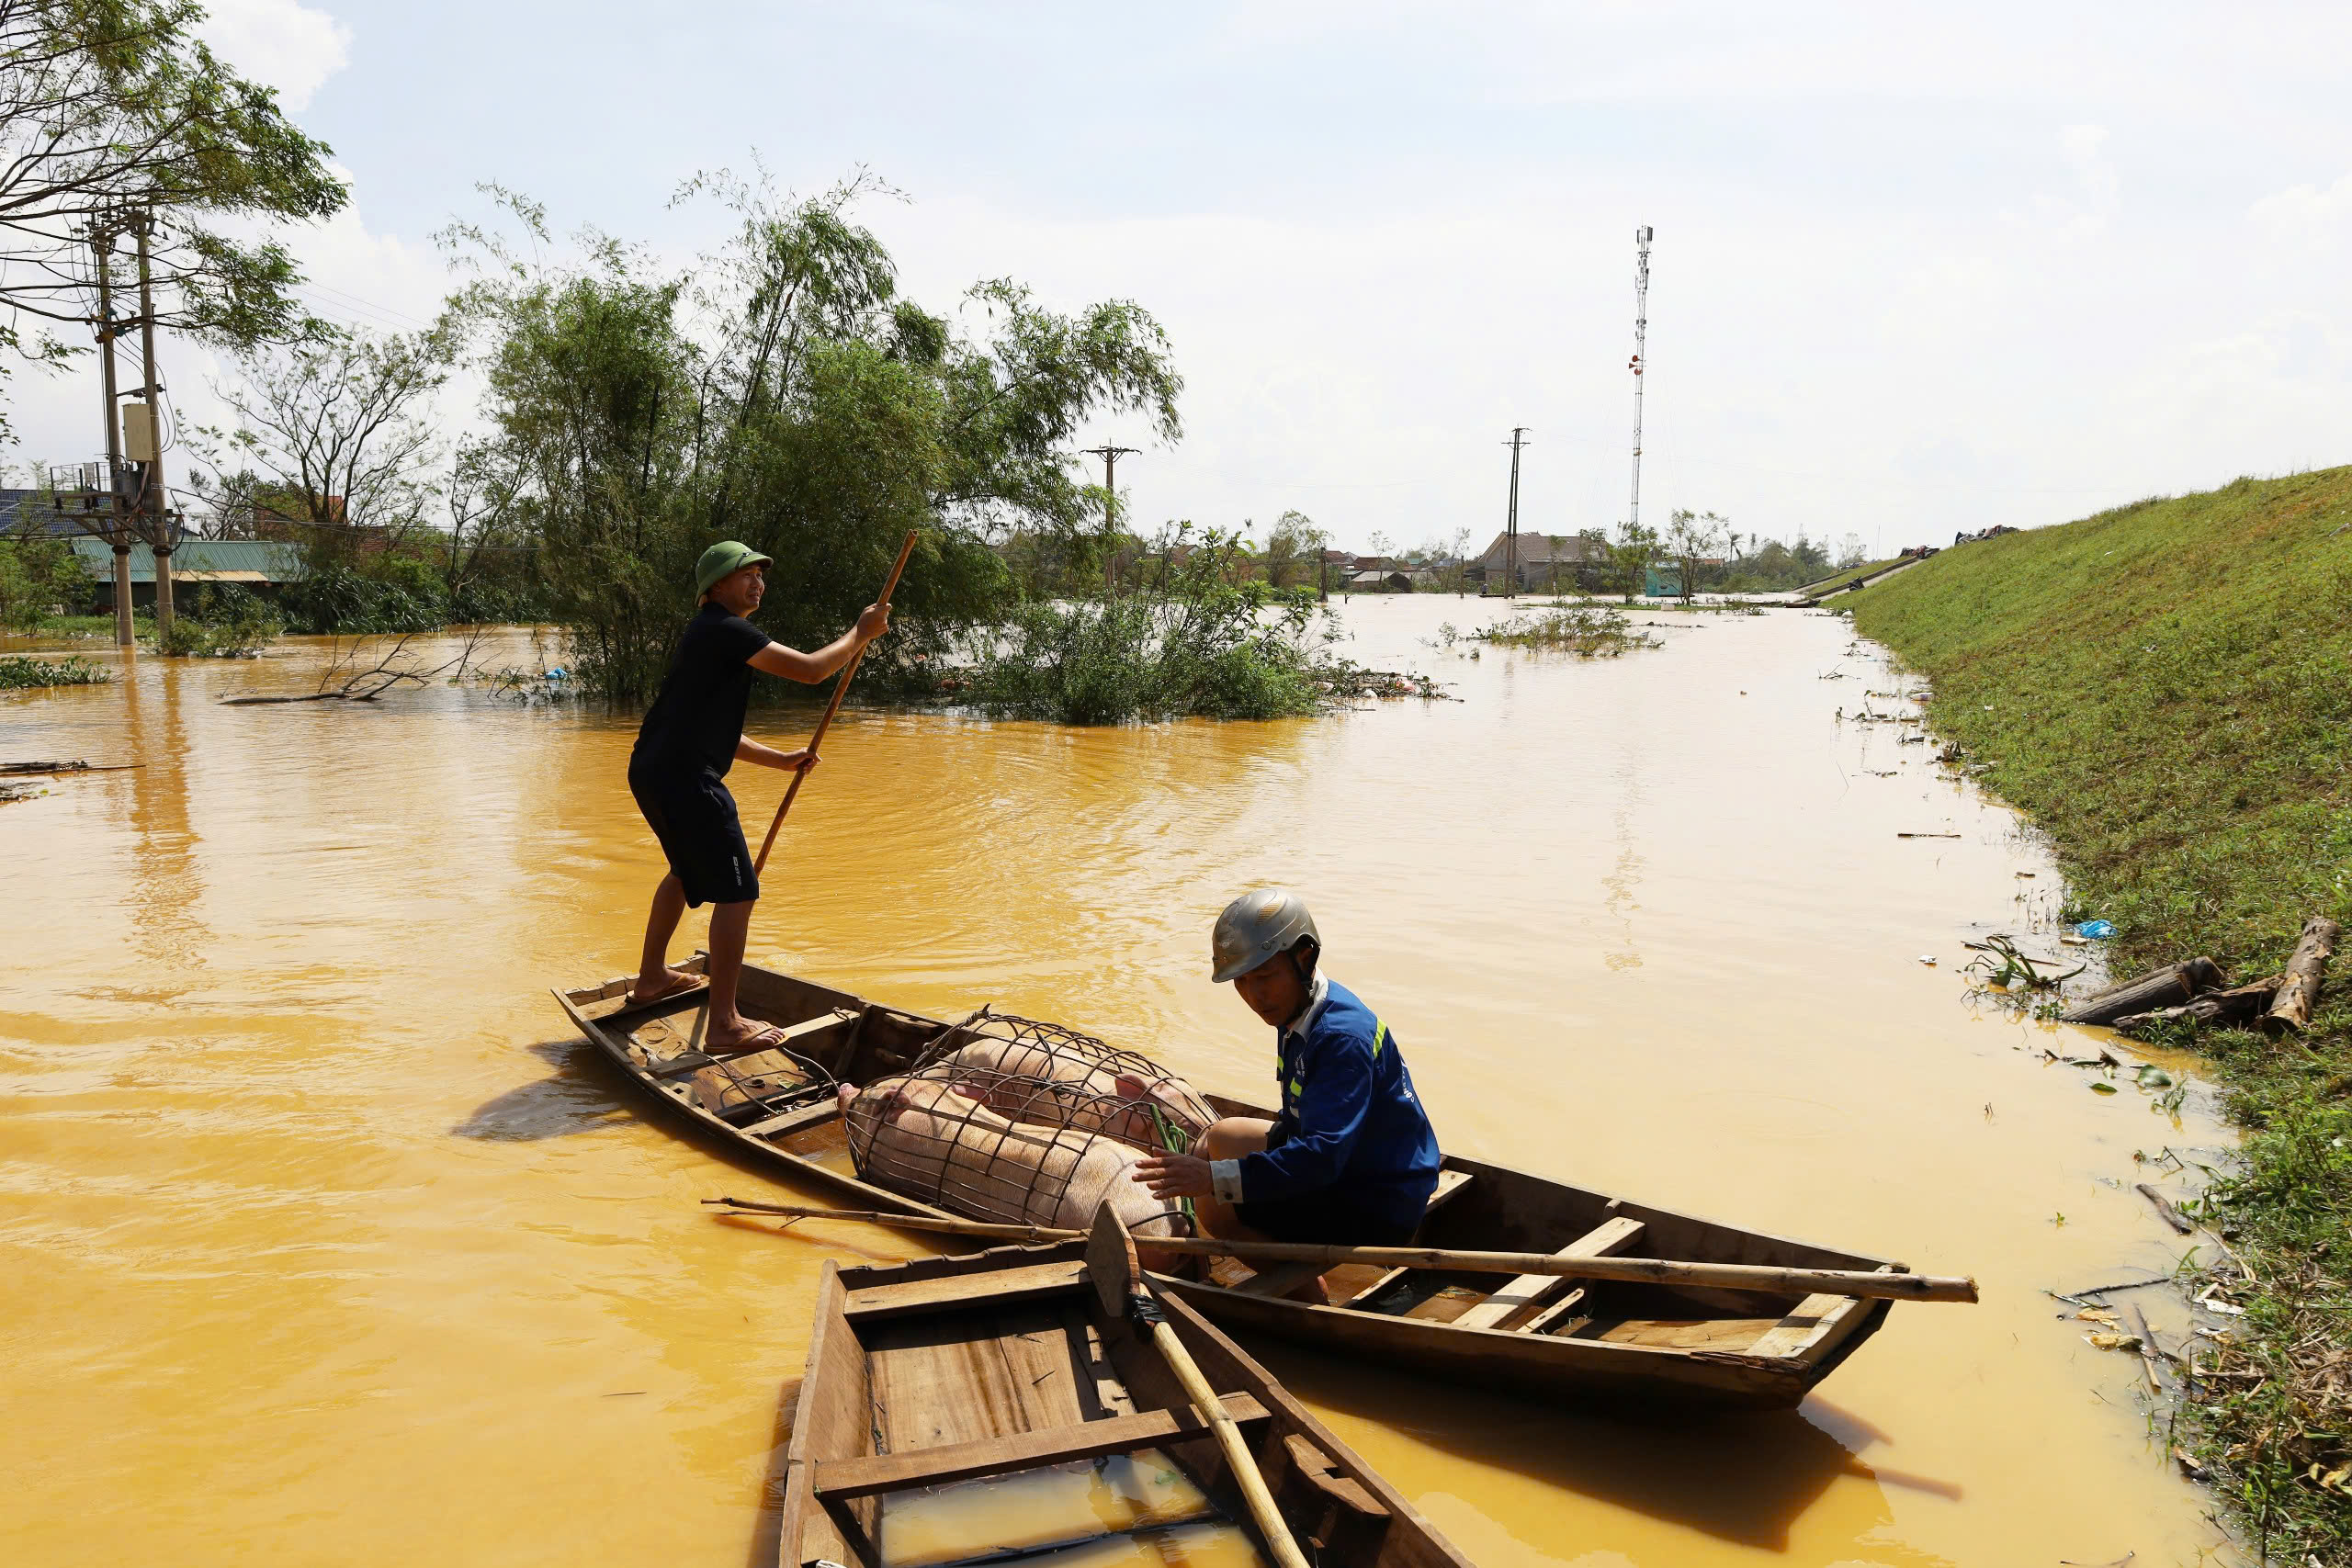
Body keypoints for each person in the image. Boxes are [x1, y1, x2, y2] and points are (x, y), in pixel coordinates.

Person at [626, 539, 888, 1049]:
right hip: (686, 778)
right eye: (746, 574)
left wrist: (781, 760)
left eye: (761, 575)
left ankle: (652, 978)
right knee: (738, 892)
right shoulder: (724, 629)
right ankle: (724, 1025)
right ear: (716, 586)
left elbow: (710, 732)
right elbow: (813, 670)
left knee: (684, 871)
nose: (758, 582)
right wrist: (860, 632)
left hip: (654, 770)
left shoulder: (709, 636)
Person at [1134, 889, 1442, 1248]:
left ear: (1304, 957)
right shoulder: (1302, 1005)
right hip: (1361, 1158)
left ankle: (1307, 1292)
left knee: (1217, 1208)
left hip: (1376, 1200)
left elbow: (1322, 1159)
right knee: (1220, 1137)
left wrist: (1215, 1179)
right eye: (1242, 981)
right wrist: (1219, 1171)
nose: (1254, 996)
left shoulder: (1340, 1037)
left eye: (1264, 977)